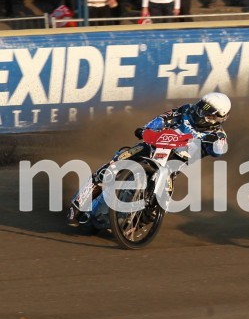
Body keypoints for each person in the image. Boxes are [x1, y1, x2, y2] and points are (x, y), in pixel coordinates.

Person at [67, 92, 231, 226]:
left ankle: (130, 224)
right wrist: (146, 129)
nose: (199, 113)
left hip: (172, 166)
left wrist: (214, 144)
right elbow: (163, 118)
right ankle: (79, 205)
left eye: (205, 113)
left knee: (154, 213)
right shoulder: (187, 110)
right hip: (152, 147)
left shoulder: (217, 134)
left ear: (218, 118)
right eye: (200, 107)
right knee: (111, 167)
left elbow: (220, 149)